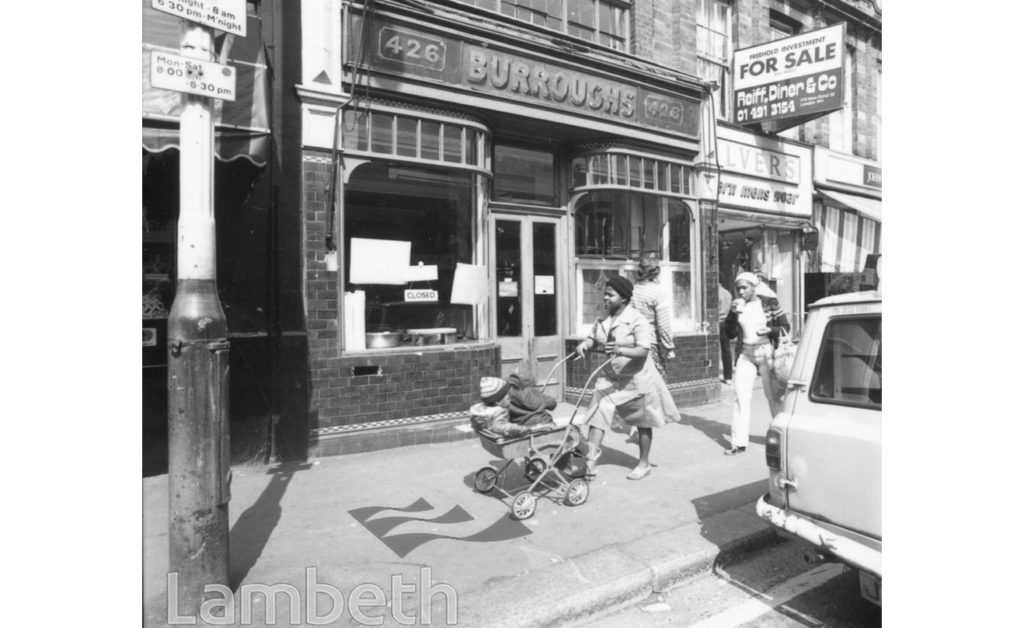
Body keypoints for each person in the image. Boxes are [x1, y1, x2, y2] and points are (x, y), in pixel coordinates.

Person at [574, 275, 681, 480]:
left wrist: (621, 349)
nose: (605, 298)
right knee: (598, 413)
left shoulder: (637, 319)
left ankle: (644, 463)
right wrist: (584, 345)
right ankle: (590, 463)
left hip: (636, 378)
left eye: (610, 295)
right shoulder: (603, 316)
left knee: (642, 421)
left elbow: (644, 350)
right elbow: (593, 337)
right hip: (611, 377)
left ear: (623, 298)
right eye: (604, 293)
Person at [721, 272, 790, 455]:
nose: (741, 291)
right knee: (740, 397)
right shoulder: (737, 306)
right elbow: (730, 334)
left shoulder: (769, 303)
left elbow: (785, 327)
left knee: (773, 397)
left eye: (745, 287)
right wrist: (733, 315)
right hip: (746, 353)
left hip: (767, 352)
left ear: (754, 287)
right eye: (738, 288)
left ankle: (782, 438)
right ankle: (738, 442)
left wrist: (771, 329)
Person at [630, 254, 676, 376]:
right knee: (656, 382)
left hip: (631, 343)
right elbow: (663, 324)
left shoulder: (632, 291)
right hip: (650, 343)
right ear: (656, 274)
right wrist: (669, 348)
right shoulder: (658, 293)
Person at [717, 283, 734, 384]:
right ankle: (728, 377)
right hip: (725, 322)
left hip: (716, 322)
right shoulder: (728, 294)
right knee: (726, 350)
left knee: (713, 349)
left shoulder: (715, 293)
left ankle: (713, 375)